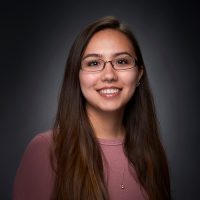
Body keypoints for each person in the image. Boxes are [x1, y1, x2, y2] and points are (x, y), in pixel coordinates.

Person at [13, 16, 171, 200]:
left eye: (121, 61)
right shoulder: (46, 151)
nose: (109, 75)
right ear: (76, 75)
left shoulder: (153, 153)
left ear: (139, 75)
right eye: (94, 63)